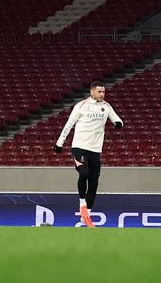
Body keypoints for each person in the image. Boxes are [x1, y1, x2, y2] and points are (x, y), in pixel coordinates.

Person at [53, 81, 122, 228]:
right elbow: (69, 124)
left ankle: (87, 215)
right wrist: (59, 143)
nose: (102, 94)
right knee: (83, 173)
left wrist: (118, 123)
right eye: (99, 92)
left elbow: (117, 118)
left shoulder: (106, 107)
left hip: (95, 150)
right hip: (80, 146)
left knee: (94, 182)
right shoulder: (81, 106)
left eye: (104, 92)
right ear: (92, 92)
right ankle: (82, 204)